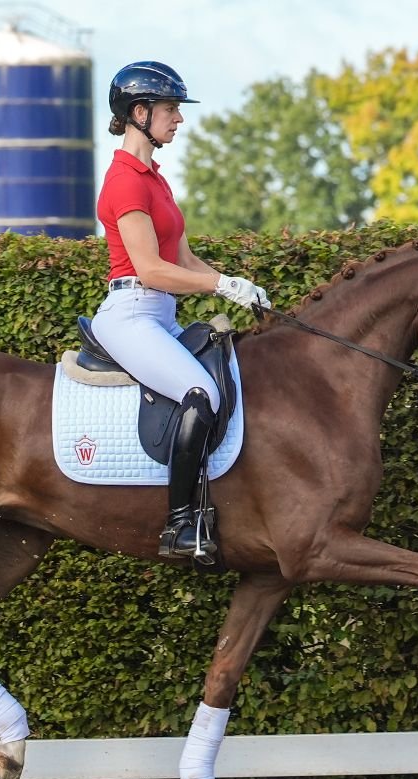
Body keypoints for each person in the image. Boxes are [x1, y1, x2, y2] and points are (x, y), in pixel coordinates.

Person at [91, 60, 271, 563]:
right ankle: (180, 525)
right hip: (131, 312)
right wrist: (220, 284)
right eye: (171, 109)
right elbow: (150, 269)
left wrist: (238, 285)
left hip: (158, 314)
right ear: (140, 112)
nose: (179, 119)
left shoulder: (155, 179)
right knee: (201, 392)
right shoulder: (124, 181)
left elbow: (184, 259)